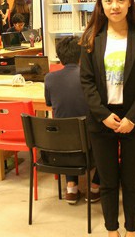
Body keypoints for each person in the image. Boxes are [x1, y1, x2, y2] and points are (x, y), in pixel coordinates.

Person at [79, 0, 135, 237]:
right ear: (101, 4)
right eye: (109, 0)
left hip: (134, 119)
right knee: (108, 182)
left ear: (129, 3)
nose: (115, 6)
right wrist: (102, 115)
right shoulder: (92, 37)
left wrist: (132, 117)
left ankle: (131, 230)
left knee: (131, 182)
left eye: (121, 0)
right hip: (102, 119)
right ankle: (112, 231)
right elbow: (86, 81)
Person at [44, 36, 100, 204]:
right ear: (82, 56)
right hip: (89, 141)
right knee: (108, 139)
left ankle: (71, 188)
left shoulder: (49, 78)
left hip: (60, 145)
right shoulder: (90, 77)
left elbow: (49, 103)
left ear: (60, 57)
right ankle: (95, 187)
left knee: (67, 129)